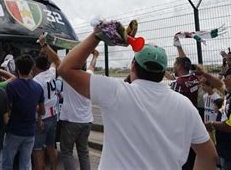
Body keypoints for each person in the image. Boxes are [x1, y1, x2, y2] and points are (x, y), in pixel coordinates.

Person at [58, 30, 218, 169]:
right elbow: (209, 156)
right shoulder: (186, 105)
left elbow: (66, 69)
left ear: (133, 66)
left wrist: (97, 35)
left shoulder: (116, 92)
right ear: (163, 73)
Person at [3, 55, 45, 170]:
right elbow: (42, 110)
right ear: (31, 69)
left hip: (14, 131)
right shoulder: (38, 87)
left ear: (17, 69)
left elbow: (9, 111)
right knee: (25, 164)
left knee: (7, 163)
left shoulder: (11, 86)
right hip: (30, 131)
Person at [60, 50, 99, 170]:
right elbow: (92, 66)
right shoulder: (89, 75)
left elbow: (58, 63)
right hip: (87, 121)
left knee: (67, 152)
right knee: (83, 151)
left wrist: (45, 46)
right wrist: (95, 56)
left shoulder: (67, 76)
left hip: (71, 121)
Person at [32, 34, 62, 170]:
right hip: (54, 116)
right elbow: (56, 59)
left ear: (35, 67)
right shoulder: (52, 73)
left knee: (38, 149)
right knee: (51, 146)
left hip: (42, 119)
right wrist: (45, 46)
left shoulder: (35, 81)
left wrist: (38, 118)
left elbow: (36, 105)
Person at [172, 43, 201, 169]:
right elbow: (185, 62)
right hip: (194, 117)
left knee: (183, 156)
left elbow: (172, 106)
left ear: (178, 66)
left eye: (174, 64)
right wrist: (179, 47)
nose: (172, 66)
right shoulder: (194, 77)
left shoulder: (178, 84)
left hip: (181, 122)